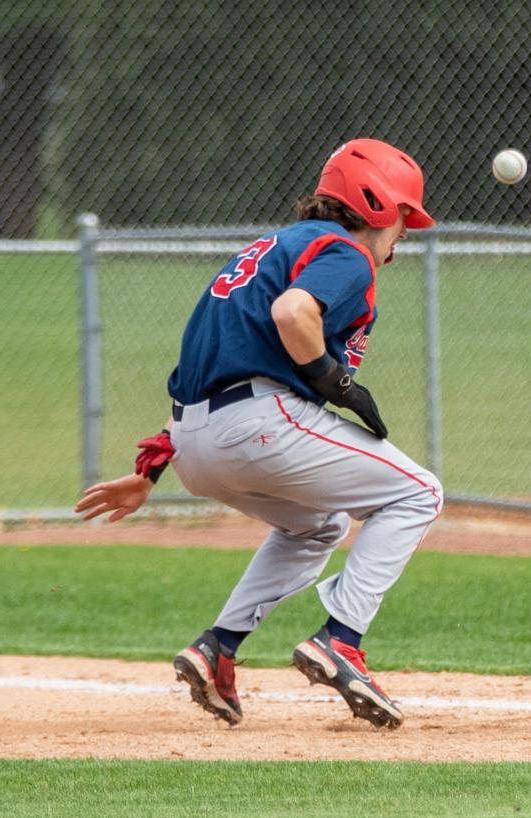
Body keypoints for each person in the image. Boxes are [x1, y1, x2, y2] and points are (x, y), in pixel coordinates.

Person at [74, 138, 442, 731]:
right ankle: (340, 640)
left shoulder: (268, 249)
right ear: (375, 204)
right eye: (404, 216)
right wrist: (336, 384)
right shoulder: (345, 253)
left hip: (195, 440)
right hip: (256, 425)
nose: (406, 232)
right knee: (418, 492)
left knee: (316, 525)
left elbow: (208, 362)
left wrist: (150, 472)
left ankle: (218, 647)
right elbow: (294, 315)